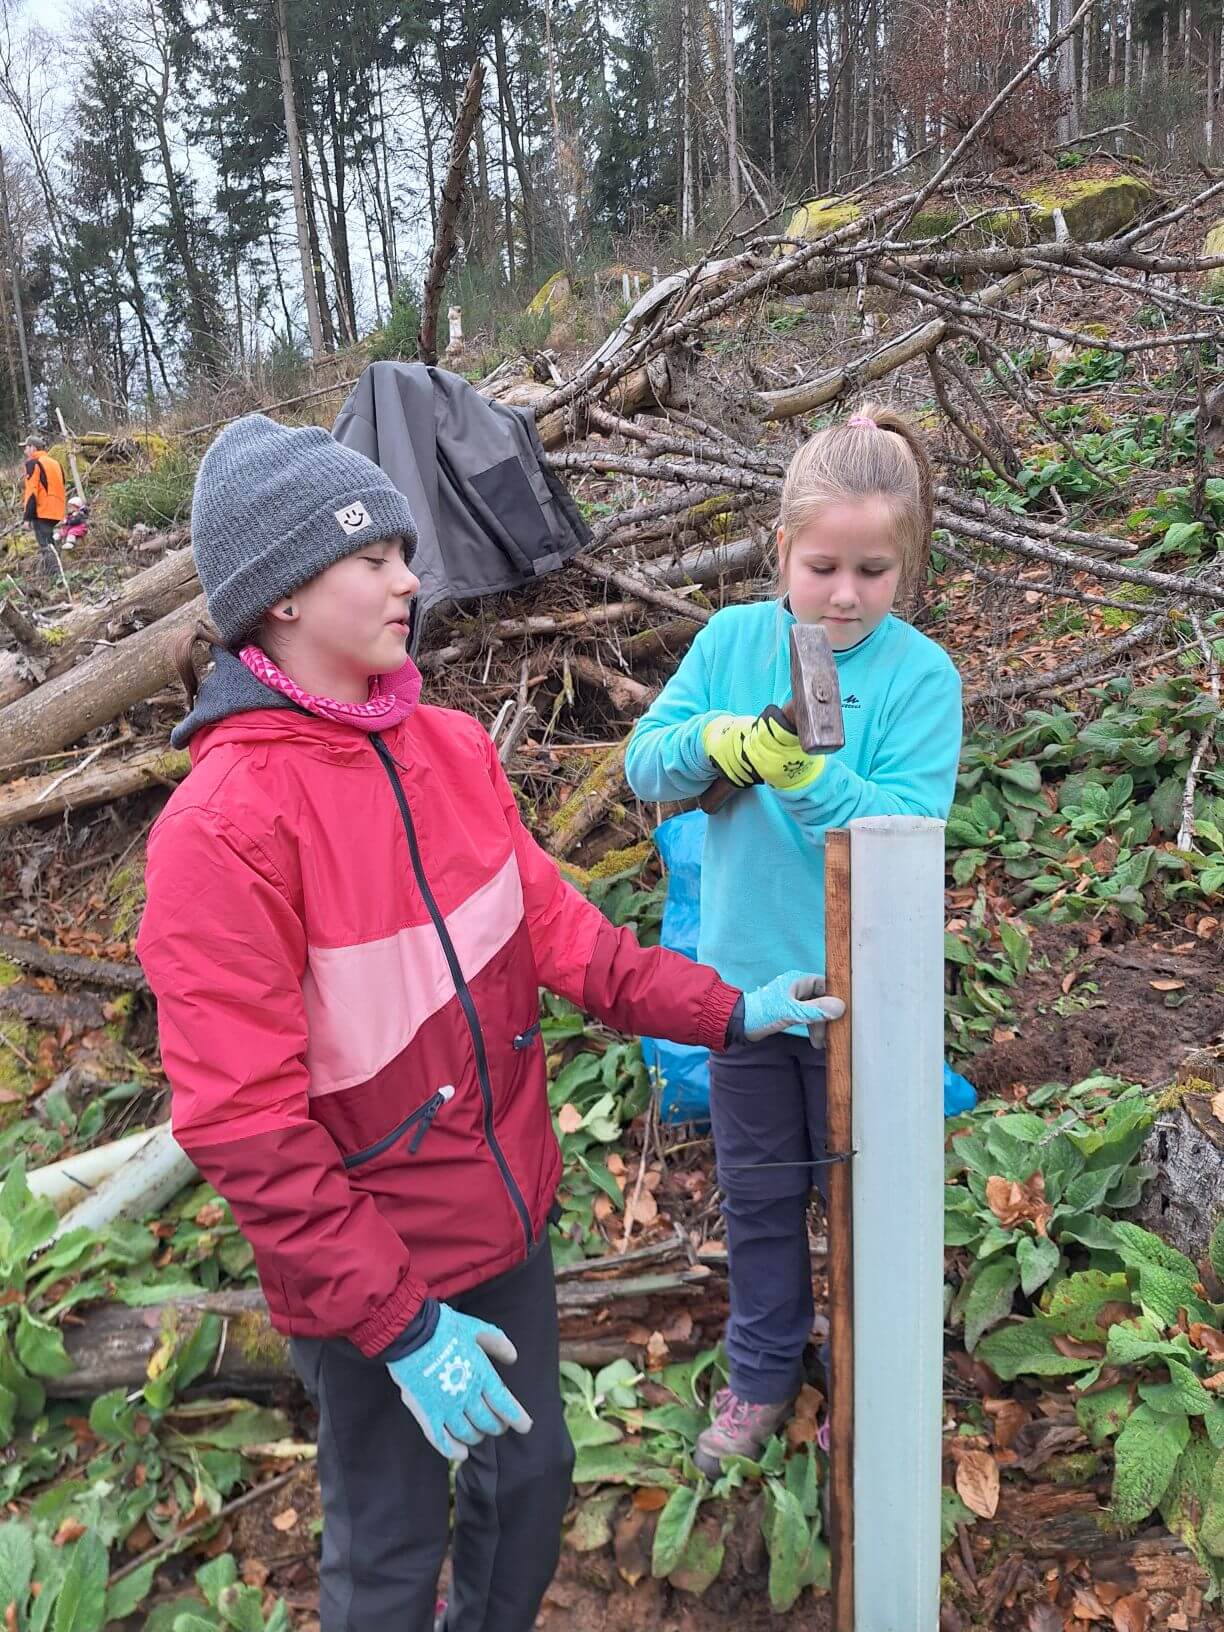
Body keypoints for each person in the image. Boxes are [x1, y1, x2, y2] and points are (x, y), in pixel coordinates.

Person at [135, 413, 844, 1632]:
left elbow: (563, 938)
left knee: (533, 1481)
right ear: (283, 597)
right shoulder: (222, 830)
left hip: (502, 1216)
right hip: (369, 1275)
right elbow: (245, 1125)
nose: (411, 579)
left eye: (406, 551)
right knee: (389, 1551)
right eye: (373, 558)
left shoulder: (449, 748)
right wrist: (403, 1330)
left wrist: (728, 1008)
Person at [624, 403, 963, 1476]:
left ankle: (876, 1374)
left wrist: (817, 782)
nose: (846, 594)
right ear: (781, 551)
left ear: (905, 565)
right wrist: (716, 740)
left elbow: (908, 828)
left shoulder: (920, 680)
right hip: (744, 992)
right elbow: (647, 768)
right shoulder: (731, 644)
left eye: (873, 569)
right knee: (764, 1196)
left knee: (867, 1198)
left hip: (873, 996)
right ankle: (766, 1372)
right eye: (823, 567)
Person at [22, 435, 67, 576]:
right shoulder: (55, 463)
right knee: (49, 540)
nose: (24, 451)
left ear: (33, 448)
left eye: (26, 447)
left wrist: (27, 517)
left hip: (43, 509)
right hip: (58, 509)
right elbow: (63, 483)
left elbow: (31, 492)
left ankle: (57, 576)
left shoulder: (33, 463)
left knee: (45, 544)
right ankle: (53, 571)